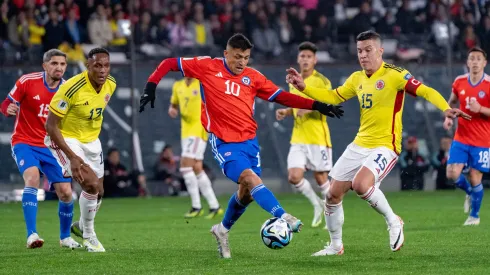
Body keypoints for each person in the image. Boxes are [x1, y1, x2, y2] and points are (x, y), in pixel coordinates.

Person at [140, 33, 344, 259]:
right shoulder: (207, 66)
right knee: (249, 178)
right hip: (224, 141)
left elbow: (283, 97)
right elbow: (169, 63)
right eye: (237, 57)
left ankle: (222, 230)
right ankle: (282, 216)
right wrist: (151, 85)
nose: (242, 62)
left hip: (250, 143)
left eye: (246, 58)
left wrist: (318, 105)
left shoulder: (253, 77)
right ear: (226, 54)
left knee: (246, 194)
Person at [286, 30, 470, 256]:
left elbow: (425, 90)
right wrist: (304, 89)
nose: (363, 55)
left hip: (386, 145)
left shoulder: (396, 75)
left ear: (380, 51)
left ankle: (394, 222)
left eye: (368, 50)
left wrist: (445, 108)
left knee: (362, 185)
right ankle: (335, 245)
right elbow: (333, 96)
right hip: (359, 144)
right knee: (332, 195)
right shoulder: (357, 78)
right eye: (359, 51)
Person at [0, 49, 81, 249]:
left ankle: (65, 238)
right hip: (24, 141)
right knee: (32, 178)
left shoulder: (68, 90)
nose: (59, 68)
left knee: (65, 193)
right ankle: (32, 234)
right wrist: (7, 109)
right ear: (45, 66)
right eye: (54, 64)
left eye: (62, 64)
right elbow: (6, 104)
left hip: (51, 146)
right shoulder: (27, 81)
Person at [45, 47, 117, 252]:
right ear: (88, 66)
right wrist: (73, 156)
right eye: (97, 66)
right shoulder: (71, 88)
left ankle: (81, 226)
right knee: (91, 186)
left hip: (92, 141)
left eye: (106, 65)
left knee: (100, 192)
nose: (103, 70)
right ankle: (89, 236)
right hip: (68, 139)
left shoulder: (110, 84)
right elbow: (50, 126)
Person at [275, 42, 333, 228]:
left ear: (315, 60)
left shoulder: (322, 81)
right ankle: (317, 204)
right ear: (298, 59)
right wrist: (287, 111)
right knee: (294, 176)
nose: (305, 59)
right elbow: (296, 107)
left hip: (318, 137)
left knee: (321, 178)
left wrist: (307, 110)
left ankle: (333, 213)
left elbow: (329, 107)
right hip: (298, 138)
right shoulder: (294, 81)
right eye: (303, 56)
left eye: (309, 56)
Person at [444, 47, 489, 226]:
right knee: (451, 173)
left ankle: (474, 216)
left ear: (484, 63)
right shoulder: (460, 82)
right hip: (461, 137)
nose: (475, 62)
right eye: (472, 58)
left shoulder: (489, 84)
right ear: (467, 62)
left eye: (479, 58)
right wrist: (448, 117)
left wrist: (481, 109)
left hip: (483, 140)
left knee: (474, 176)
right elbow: (451, 102)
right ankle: (470, 193)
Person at [169, 76, 223, 218]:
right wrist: (172, 109)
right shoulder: (177, 85)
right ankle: (214, 206)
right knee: (197, 167)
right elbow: (174, 104)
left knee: (185, 166)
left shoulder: (202, 83)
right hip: (185, 131)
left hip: (198, 129)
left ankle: (196, 206)